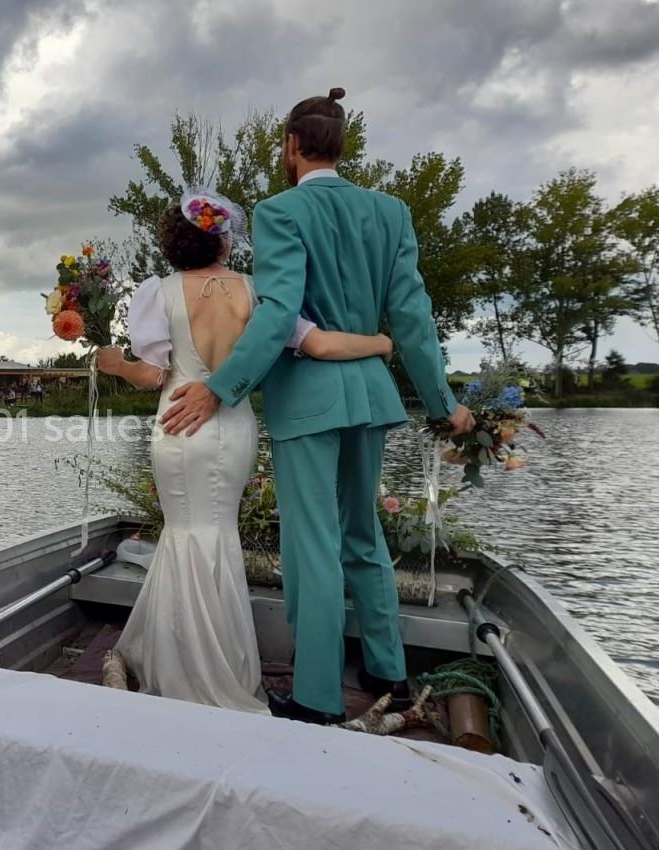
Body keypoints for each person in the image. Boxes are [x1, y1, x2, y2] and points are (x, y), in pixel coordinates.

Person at [157, 88, 473, 724]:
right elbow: (413, 316)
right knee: (364, 534)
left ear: (293, 147)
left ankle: (317, 697)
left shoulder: (282, 211)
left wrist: (221, 387)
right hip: (371, 397)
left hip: (308, 399)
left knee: (311, 544)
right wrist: (445, 403)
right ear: (341, 146)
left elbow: (280, 313)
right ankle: (389, 669)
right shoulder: (392, 212)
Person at [98, 183, 395, 715]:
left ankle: (182, 661)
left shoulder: (157, 291)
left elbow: (151, 376)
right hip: (233, 426)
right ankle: (226, 666)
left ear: (176, 243)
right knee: (219, 534)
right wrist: (379, 342)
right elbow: (320, 345)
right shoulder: (260, 292)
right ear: (224, 241)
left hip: (177, 423)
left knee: (184, 531)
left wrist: (115, 364)